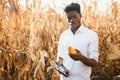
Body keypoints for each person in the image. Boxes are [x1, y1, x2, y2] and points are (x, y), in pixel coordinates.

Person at [56, 3, 99, 80]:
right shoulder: (64, 35)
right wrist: (62, 70)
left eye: (75, 17)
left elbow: (95, 63)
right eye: (69, 18)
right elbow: (60, 59)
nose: (71, 20)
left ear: (80, 15)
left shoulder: (91, 35)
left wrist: (81, 57)